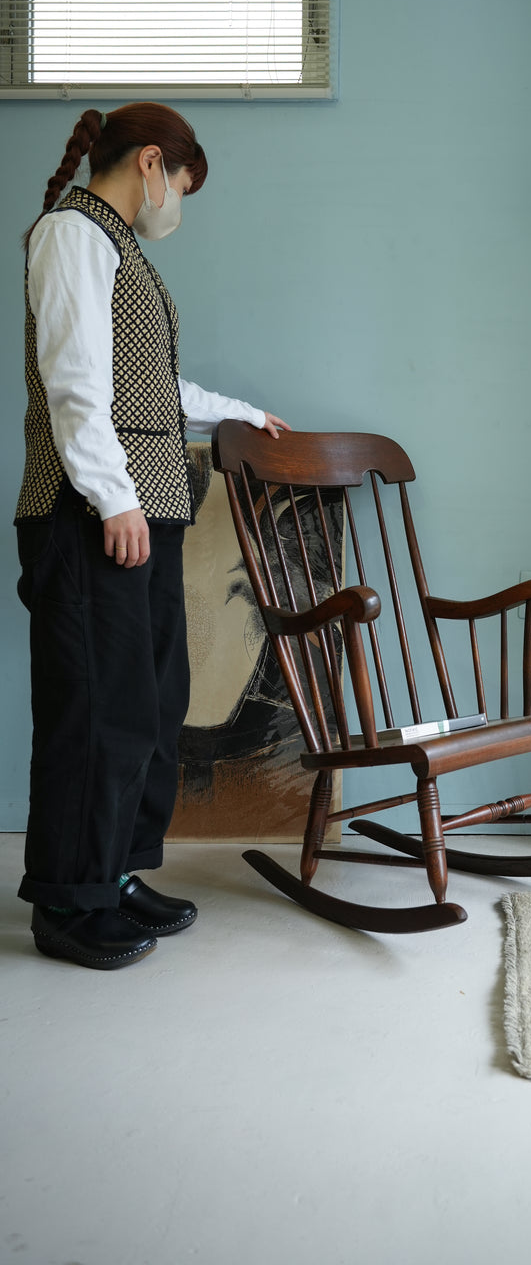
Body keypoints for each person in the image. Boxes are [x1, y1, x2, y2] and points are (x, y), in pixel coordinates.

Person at [14, 103, 289, 970]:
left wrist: (245, 414)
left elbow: (156, 382)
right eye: (180, 185)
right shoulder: (72, 235)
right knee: (98, 711)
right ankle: (68, 901)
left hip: (147, 511)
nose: (177, 204)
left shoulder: (119, 245)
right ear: (150, 163)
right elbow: (74, 384)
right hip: (92, 514)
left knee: (151, 703)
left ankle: (118, 874)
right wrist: (111, 498)